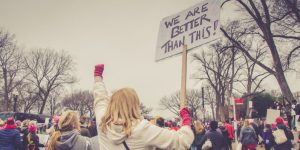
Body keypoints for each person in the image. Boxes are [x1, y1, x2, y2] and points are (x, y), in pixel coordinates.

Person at [93, 64, 194, 149]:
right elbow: (182, 141)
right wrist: (185, 118)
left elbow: (100, 98)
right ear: (134, 106)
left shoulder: (102, 123)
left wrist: (98, 78)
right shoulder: (141, 129)